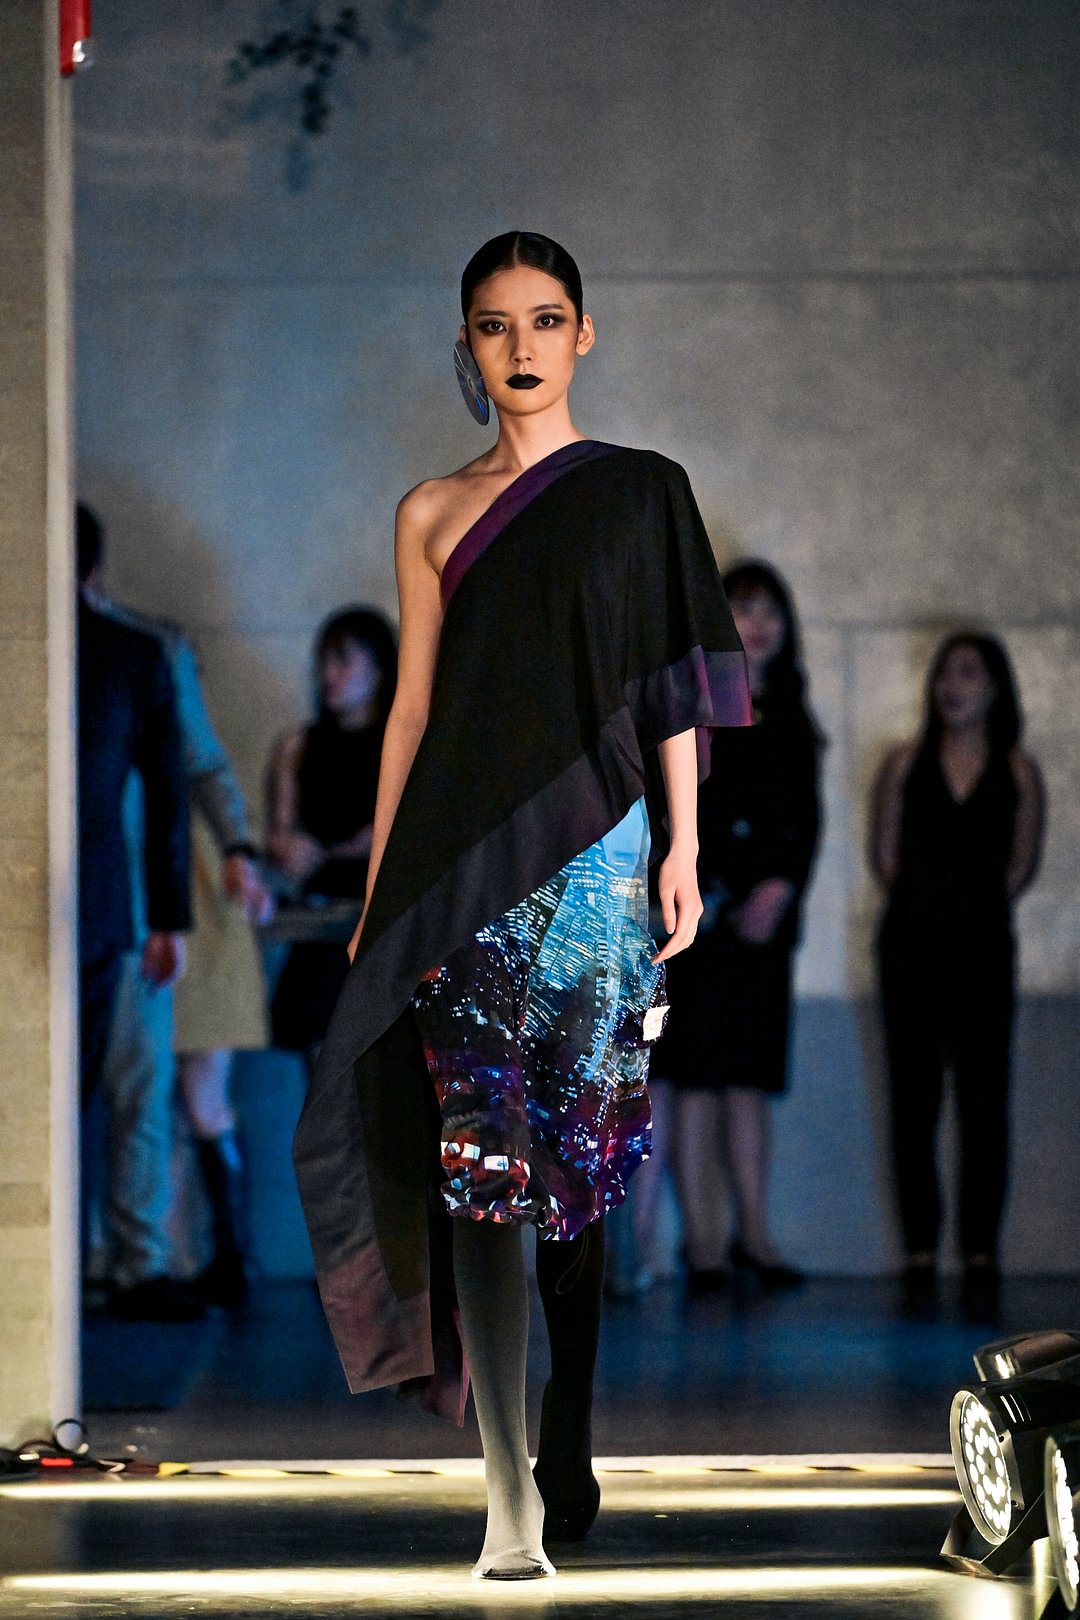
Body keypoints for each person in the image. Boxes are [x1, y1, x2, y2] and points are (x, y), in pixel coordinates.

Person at [292, 231, 751, 1579]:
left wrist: (684, 844)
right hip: (458, 876)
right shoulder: (430, 511)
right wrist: (381, 891)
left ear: (584, 334)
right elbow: (413, 711)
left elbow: (673, 683)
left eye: (546, 320)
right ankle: (507, 1497)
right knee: (480, 1161)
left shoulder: (643, 491)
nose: (523, 347)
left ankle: (568, 1423)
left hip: (603, 864)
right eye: (495, 325)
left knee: (577, 1167)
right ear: (468, 344)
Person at [81, 504, 273, 1317]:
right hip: (134, 898)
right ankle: (131, 1258)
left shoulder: (142, 651)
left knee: (156, 1086)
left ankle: (150, 1258)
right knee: (148, 1088)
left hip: (145, 900)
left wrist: (236, 850)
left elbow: (195, 767)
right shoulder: (132, 649)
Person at [658, 561, 822, 1291]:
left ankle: (755, 1233)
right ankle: (702, 1244)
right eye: (742, 608)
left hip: (765, 922)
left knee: (749, 1081)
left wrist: (780, 889)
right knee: (695, 1080)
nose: (756, 624)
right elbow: (680, 810)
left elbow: (804, 824)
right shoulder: (692, 707)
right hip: (700, 912)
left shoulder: (793, 716)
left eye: (768, 611)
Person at [870, 631, 1044, 1314]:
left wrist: (972, 908)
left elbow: (1022, 864)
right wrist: (927, 905)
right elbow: (885, 854)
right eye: (945, 673)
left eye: (969, 674)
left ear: (995, 687)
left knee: (984, 1099)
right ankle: (920, 1246)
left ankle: (979, 1249)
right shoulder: (903, 761)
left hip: (984, 949)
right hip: (911, 945)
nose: (953, 686)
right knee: (913, 1099)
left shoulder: (1017, 768)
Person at [77, 514, 191, 1296]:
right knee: (111, 1091)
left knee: (108, 1089)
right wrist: (168, 918)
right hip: (103, 902)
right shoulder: (131, 653)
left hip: (97, 903)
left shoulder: (131, 653)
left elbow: (175, 785)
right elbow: (170, 791)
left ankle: (96, 1257)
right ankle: (112, 1259)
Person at [267, 607, 396, 1072]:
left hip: (382, 918)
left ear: (378, 669)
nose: (328, 674)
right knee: (321, 1052)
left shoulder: (401, 746)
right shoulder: (298, 745)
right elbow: (279, 836)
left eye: (343, 660)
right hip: (321, 921)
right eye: (323, 660)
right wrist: (288, 847)